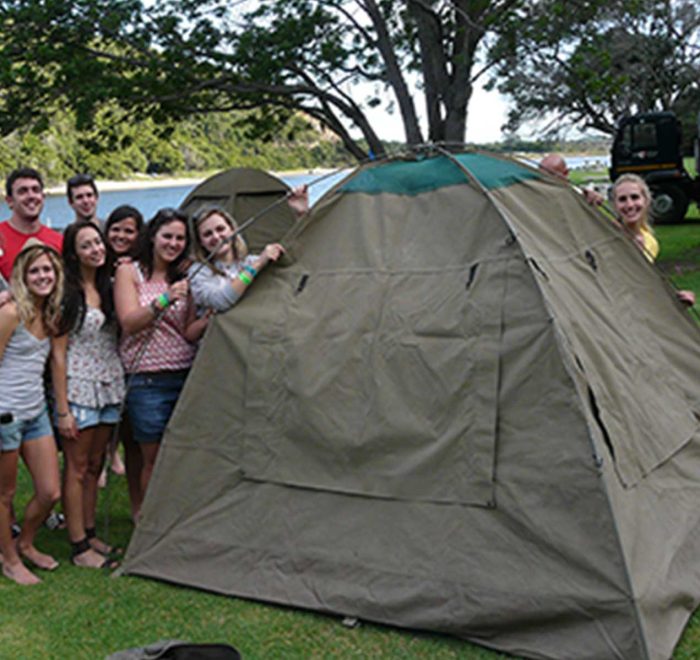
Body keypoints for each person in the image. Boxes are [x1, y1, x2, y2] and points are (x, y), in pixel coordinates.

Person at [114, 208, 207, 503]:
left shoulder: (186, 275)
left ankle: (178, 520)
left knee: (183, 458)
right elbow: (128, 322)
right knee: (152, 461)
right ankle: (146, 524)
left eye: (180, 238)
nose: (174, 243)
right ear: (152, 236)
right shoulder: (129, 271)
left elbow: (188, 331)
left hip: (184, 374)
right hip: (146, 381)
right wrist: (164, 300)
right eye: (167, 236)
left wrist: (213, 317)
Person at [51, 222, 124, 568]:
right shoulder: (67, 294)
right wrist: (62, 409)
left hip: (109, 383)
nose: (96, 249)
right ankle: (79, 546)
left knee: (96, 465)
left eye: (98, 242)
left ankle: (91, 531)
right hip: (79, 386)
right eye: (86, 245)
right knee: (77, 468)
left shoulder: (109, 286)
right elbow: (59, 352)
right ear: (73, 253)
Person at [0, 241, 63, 584]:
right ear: (23, 276)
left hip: (35, 411)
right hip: (5, 414)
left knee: (49, 492)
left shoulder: (49, 312)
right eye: (35, 270)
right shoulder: (11, 313)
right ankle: (9, 559)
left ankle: (25, 542)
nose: (43, 276)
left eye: (48, 270)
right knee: (4, 494)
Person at [188, 186, 309, 313]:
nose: (216, 237)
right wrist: (257, 265)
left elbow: (298, 263)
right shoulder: (198, 273)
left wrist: (301, 215)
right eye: (208, 234)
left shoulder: (248, 262)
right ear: (200, 242)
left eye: (220, 229)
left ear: (232, 230)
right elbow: (222, 301)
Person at [100, 204, 145, 515]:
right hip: (103, 361)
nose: (121, 235)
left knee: (136, 443)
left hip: (134, 361)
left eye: (129, 230)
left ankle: (138, 506)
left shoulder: (143, 267)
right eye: (116, 228)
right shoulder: (99, 265)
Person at [611, 174, 696, 306]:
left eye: (635, 197)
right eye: (622, 199)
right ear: (614, 205)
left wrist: (676, 297)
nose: (629, 205)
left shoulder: (650, 241)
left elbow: (645, 283)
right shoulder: (606, 233)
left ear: (646, 200)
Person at [0, 168, 63, 282]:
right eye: (23, 191)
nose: (31, 196)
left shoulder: (59, 241)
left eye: (36, 190)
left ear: (43, 197)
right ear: (9, 201)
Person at [538, 154, 604, 206]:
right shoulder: (536, 190)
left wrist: (595, 197)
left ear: (565, 173)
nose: (545, 179)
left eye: (551, 175)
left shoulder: (577, 193)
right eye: (541, 175)